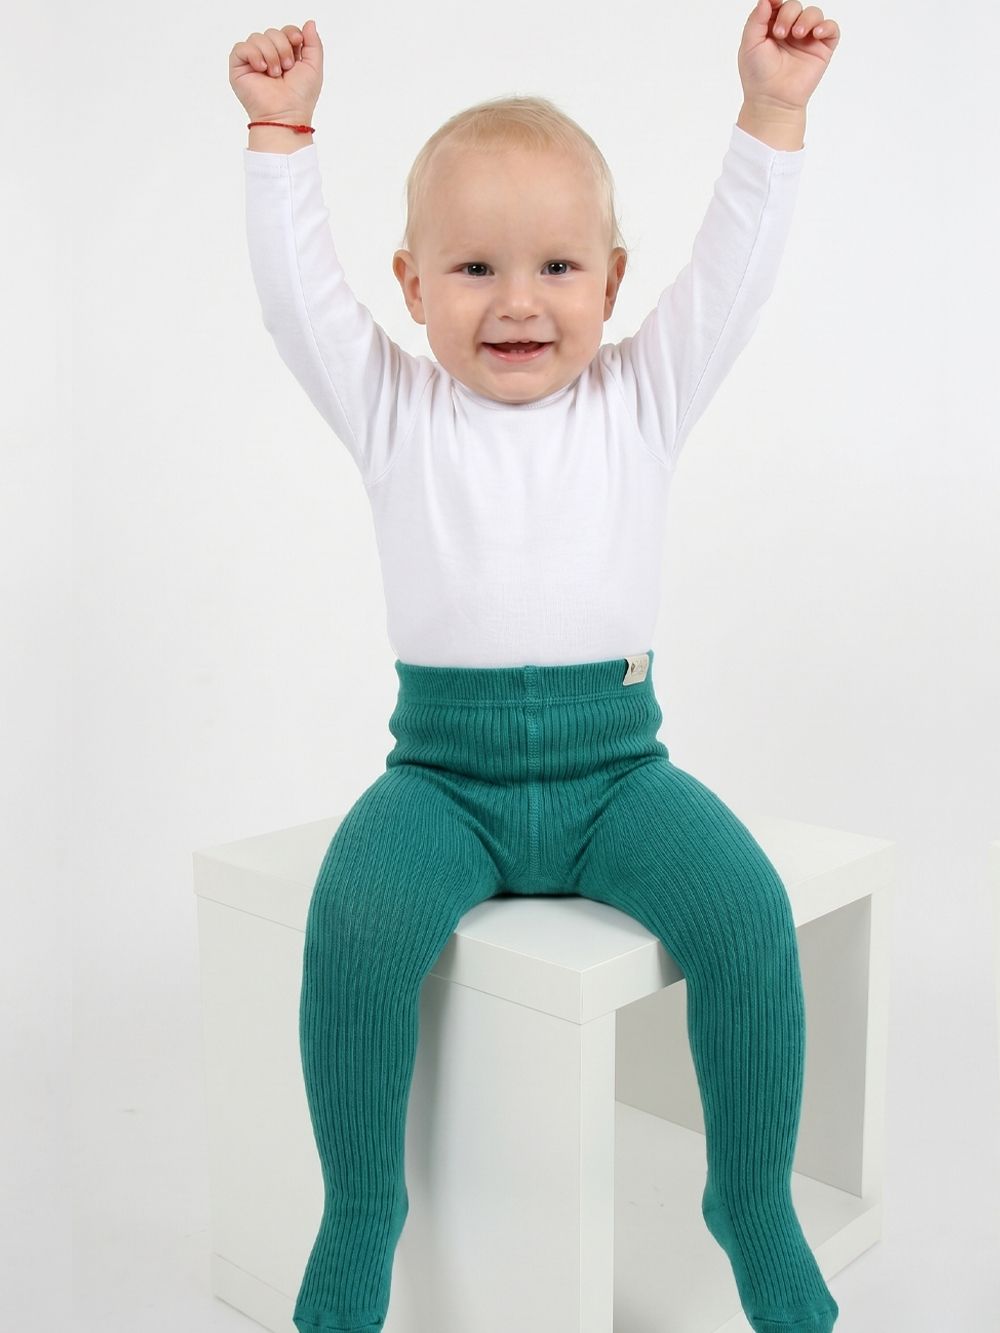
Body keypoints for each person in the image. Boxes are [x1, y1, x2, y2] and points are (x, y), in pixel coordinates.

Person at [228, 4, 843, 1330]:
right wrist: (281, 135)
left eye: (559, 266)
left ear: (613, 285)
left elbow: (733, 275)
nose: (518, 300)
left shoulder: (642, 396)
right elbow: (295, 305)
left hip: (620, 776)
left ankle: (751, 1198)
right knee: (352, 927)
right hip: (440, 783)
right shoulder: (395, 408)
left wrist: (773, 111)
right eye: (474, 269)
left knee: (747, 916)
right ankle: (362, 1210)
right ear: (411, 287)